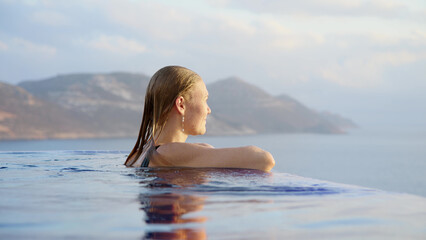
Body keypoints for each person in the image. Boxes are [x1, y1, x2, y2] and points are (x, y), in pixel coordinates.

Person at [125, 66, 275, 171]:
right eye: (204, 99)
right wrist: (206, 152)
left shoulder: (141, 152)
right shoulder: (170, 152)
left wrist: (204, 151)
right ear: (181, 105)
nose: (208, 110)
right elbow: (264, 159)